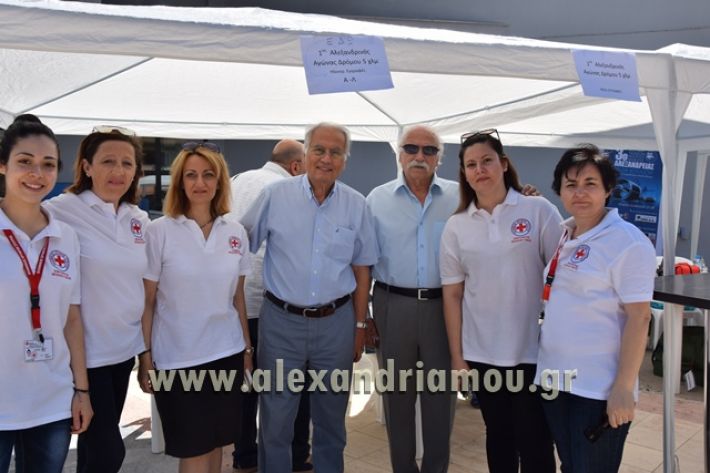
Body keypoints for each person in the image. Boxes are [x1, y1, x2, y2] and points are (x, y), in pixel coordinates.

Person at [241, 122, 378, 473]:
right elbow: (240, 243)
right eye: (319, 150)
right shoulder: (275, 196)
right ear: (304, 154)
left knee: (331, 421)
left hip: (336, 324)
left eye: (335, 152)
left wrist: (359, 326)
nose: (326, 158)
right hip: (280, 323)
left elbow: (362, 269)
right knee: (275, 421)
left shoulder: (356, 204)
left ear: (345, 160)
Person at [440, 129, 560, 473]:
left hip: (531, 351)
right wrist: (458, 358)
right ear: (464, 174)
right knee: (499, 437)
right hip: (482, 354)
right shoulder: (457, 226)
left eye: (487, 161)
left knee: (535, 440)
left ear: (504, 164)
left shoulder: (537, 210)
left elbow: (563, 275)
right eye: (471, 164)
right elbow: (453, 295)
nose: (480, 170)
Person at [535, 145, 655, 473]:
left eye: (590, 183)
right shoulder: (565, 234)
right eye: (571, 184)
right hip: (555, 379)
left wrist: (623, 388)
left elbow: (640, 316)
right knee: (570, 466)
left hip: (596, 389)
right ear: (559, 190)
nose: (580, 193)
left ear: (608, 189)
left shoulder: (627, 242)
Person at [138, 141, 252, 473]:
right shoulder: (159, 231)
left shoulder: (235, 232)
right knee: (194, 448)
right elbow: (147, 301)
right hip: (178, 359)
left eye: (208, 175)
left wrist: (247, 349)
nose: (199, 183)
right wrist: (145, 357)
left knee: (218, 443)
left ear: (220, 181)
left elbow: (237, 298)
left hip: (227, 353)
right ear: (179, 182)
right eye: (191, 175)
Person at [44, 125, 147, 473]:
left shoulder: (138, 219)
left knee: (92, 450)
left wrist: (146, 352)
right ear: (87, 166)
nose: (118, 171)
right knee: (108, 453)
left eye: (127, 163)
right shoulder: (59, 210)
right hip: (84, 355)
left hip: (124, 352)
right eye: (107, 161)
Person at [0, 114, 93, 473]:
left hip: (51, 400)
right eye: (25, 161)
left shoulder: (66, 236)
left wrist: (81, 390)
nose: (37, 173)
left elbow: (71, 318)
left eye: (48, 164)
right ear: (4, 165)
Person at [366, 125, 457, 473]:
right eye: (411, 148)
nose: (420, 156)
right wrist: (365, 317)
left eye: (429, 150)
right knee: (396, 397)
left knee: (441, 396)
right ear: (399, 154)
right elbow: (363, 261)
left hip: (443, 307)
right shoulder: (376, 199)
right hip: (392, 304)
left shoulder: (459, 196)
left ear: (439, 158)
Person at [229, 139, 312, 472]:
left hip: (236, 302)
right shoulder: (288, 190)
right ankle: (295, 454)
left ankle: (244, 455)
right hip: (272, 302)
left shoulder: (236, 181)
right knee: (291, 386)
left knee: (246, 385)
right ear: (295, 166)